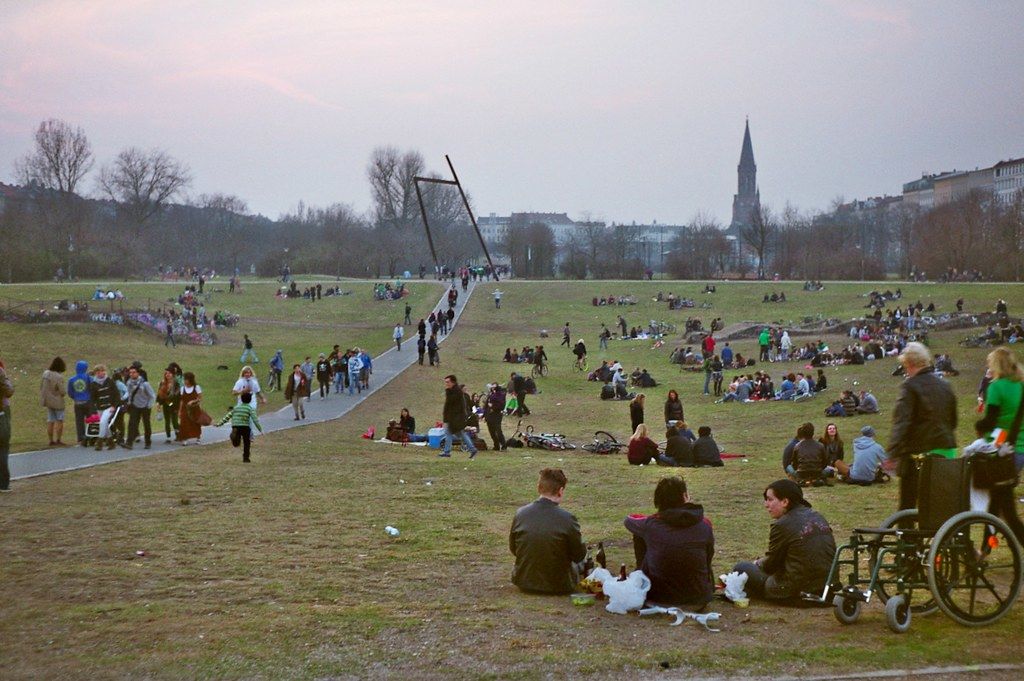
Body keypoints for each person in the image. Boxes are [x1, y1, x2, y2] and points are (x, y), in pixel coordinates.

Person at [732, 480, 837, 601]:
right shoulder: (817, 516)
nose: (766, 504)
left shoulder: (782, 524)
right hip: (827, 587)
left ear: (785, 502)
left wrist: (758, 563)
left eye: (770, 499)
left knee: (742, 567)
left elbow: (770, 566)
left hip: (794, 590)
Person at [624, 476, 714, 607]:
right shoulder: (705, 524)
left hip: (659, 597)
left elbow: (629, 520)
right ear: (685, 496)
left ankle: (641, 577)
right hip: (698, 597)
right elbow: (709, 556)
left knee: (640, 534)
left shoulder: (651, 525)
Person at [888, 342, 958, 510]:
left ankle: (907, 528)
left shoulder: (910, 386)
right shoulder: (945, 386)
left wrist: (892, 452)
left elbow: (902, 422)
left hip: (919, 455)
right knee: (937, 504)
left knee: (908, 505)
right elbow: (953, 421)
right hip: (946, 452)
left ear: (909, 364)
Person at [973, 346, 1024, 545]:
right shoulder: (1020, 385)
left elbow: (990, 421)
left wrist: (978, 426)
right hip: (1019, 449)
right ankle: (985, 549)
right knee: (995, 504)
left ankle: (987, 548)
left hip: (1002, 453)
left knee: (1007, 511)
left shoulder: (996, 387)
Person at [509, 468, 587, 594]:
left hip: (524, 582)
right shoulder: (567, 518)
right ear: (560, 491)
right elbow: (578, 555)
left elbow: (514, 548)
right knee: (583, 560)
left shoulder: (520, 514)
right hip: (559, 586)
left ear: (538, 488)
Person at [217, 391, 263, 462]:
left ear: (241, 399)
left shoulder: (236, 408)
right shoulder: (250, 408)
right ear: (250, 400)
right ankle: (246, 458)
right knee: (247, 442)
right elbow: (255, 420)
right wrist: (260, 429)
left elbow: (228, 416)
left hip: (235, 426)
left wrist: (219, 423)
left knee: (236, 442)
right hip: (245, 427)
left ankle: (235, 437)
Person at [440, 374, 478, 459]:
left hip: (455, 418)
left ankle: (447, 452)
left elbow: (451, 403)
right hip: (453, 417)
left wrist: (449, 418)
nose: (446, 384)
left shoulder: (456, 392)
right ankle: (472, 449)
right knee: (460, 434)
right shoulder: (454, 391)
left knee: (450, 433)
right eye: (446, 382)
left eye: (448, 382)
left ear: (453, 382)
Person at [123, 365, 156, 450]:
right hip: (134, 405)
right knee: (132, 424)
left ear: (138, 373)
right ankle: (129, 442)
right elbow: (129, 394)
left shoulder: (145, 384)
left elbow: (152, 395)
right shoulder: (129, 383)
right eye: (130, 372)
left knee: (146, 424)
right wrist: (128, 402)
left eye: (134, 372)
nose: (131, 374)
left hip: (145, 406)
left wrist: (149, 405)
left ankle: (148, 442)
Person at [89, 364, 121, 451]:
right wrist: (92, 409)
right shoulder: (93, 384)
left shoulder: (110, 381)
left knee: (103, 422)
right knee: (105, 425)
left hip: (109, 406)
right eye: (99, 371)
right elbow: (92, 398)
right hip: (99, 407)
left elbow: (117, 394)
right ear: (96, 373)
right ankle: (111, 443)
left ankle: (99, 442)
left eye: (103, 371)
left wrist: (114, 406)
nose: (101, 373)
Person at [40, 357, 68, 446]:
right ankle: (58, 439)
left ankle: (51, 440)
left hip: (48, 401)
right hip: (57, 401)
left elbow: (41, 387)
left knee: (50, 420)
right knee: (60, 420)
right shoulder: (58, 376)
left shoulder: (45, 374)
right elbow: (62, 391)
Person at [67, 360, 92, 446]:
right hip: (88, 402)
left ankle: (81, 437)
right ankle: (91, 436)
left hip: (77, 403)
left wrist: (75, 397)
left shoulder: (71, 380)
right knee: (90, 420)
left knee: (79, 421)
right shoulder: (89, 378)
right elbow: (92, 389)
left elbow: (70, 392)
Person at [177, 372, 204, 445]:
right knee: (183, 423)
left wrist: (193, 401)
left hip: (194, 408)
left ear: (190, 380)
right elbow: (181, 401)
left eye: (186, 379)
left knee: (195, 423)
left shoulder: (197, 387)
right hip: (185, 408)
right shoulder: (182, 388)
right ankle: (185, 438)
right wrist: (179, 411)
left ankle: (198, 437)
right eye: (184, 379)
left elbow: (200, 398)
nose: (185, 381)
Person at [156, 367, 180, 443]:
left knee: (174, 422)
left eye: (169, 373)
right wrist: (158, 403)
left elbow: (177, 396)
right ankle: (168, 437)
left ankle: (179, 435)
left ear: (173, 374)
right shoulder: (162, 383)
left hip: (174, 405)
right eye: (166, 373)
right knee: (167, 421)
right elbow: (159, 394)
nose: (167, 374)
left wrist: (173, 405)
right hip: (165, 404)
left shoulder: (176, 384)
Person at [0, 359, 13, 492]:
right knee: (3, 446)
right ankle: (3, 483)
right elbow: (9, 391)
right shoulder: (0, 372)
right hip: (2, 411)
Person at [484, 383, 507, 451]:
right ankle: (496, 446)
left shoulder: (501, 395)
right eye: (492, 387)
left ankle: (504, 445)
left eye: (494, 387)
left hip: (497, 415)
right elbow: (486, 406)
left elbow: (502, 406)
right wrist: (484, 415)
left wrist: (493, 406)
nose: (492, 388)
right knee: (492, 432)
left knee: (498, 431)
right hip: (489, 415)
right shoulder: (490, 395)